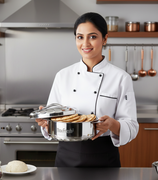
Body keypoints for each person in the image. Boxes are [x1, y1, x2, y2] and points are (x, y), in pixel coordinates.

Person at [36, 12, 139, 167]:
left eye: (92, 36)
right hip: (67, 155)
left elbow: (131, 126)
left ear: (105, 39)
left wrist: (111, 124)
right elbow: (53, 120)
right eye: (80, 37)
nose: (85, 43)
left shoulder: (121, 77)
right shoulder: (63, 75)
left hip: (103, 157)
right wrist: (47, 122)